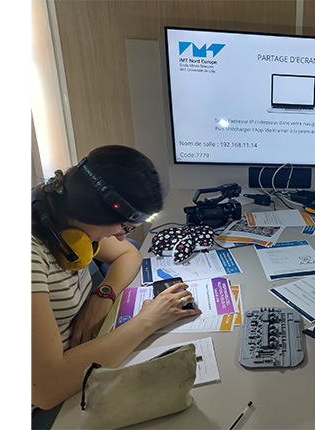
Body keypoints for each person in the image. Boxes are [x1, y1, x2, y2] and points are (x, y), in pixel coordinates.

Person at [30, 145, 202, 429]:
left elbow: (128, 253)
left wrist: (103, 294)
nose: (121, 237)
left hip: (85, 355)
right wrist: (148, 320)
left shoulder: (67, 220)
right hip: (51, 403)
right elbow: (47, 389)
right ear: (96, 211)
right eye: (124, 227)